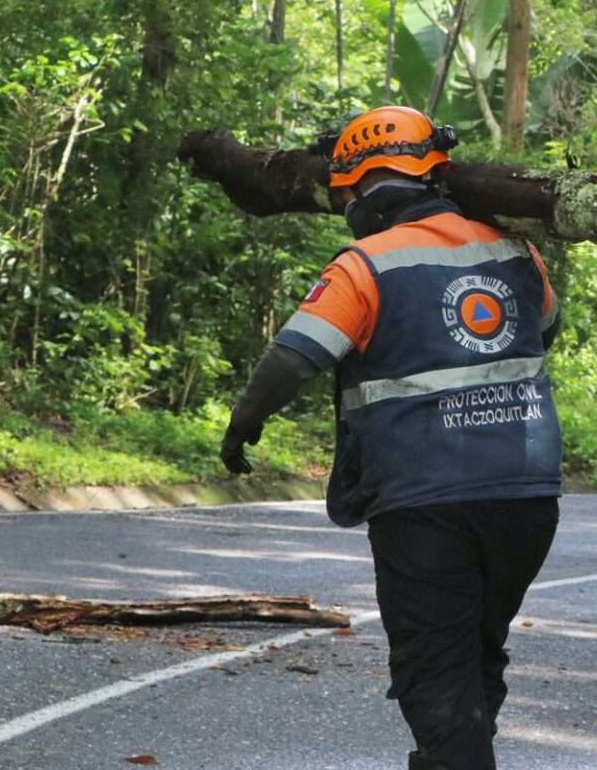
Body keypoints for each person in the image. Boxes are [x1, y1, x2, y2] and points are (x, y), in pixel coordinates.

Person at [219, 106, 563, 770]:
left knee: (433, 667)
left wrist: (243, 425)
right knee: (474, 653)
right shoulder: (514, 247)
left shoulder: (364, 264)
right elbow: (545, 328)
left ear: (353, 189)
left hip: (425, 502)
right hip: (527, 496)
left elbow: (295, 357)